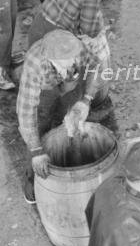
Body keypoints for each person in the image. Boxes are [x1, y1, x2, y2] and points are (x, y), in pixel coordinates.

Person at [16, 29, 102, 188]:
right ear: (50, 59)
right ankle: (32, 182)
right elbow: (25, 111)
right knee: (41, 126)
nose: (69, 65)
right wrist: (35, 151)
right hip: (44, 88)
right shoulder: (35, 64)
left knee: (68, 119)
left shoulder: (77, 49)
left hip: (70, 85)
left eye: (72, 61)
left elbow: (95, 66)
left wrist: (86, 100)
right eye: (63, 63)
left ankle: (63, 152)